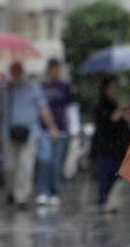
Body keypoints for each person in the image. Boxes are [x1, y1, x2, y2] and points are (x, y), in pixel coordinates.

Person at [2, 61, 59, 210]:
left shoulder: (33, 88)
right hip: (9, 133)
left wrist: (52, 127)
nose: (16, 74)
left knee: (25, 165)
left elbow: (43, 108)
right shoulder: (5, 89)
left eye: (18, 71)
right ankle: (12, 190)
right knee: (10, 166)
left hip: (30, 132)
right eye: (14, 71)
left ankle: (22, 197)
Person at [36, 59, 76, 207]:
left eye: (57, 69)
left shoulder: (65, 87)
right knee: (44, 160)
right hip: (44, 130)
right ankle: (42, 191)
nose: (55, 72)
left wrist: (73, 128)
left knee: (56, 163)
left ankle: (53, 192)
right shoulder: (41, 87)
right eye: (52, 69)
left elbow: (71, 108)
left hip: (62, 131)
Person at [90, 76, 130, 213]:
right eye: (111, 87)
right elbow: (106, 123)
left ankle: (106, 199)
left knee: (115, 174)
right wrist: (118, 113)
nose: (113, 90)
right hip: (104, 147)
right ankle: (103, 201)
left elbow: (123, 126)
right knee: (105, 174)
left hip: (116, 147)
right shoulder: (101, 106)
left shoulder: (114, 104)